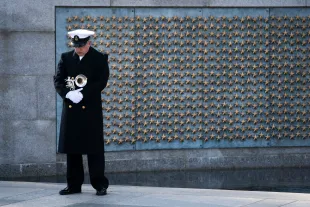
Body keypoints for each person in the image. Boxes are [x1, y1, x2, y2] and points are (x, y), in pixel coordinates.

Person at [54, 29, 110, 196]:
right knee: (73, 149)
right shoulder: (65, 58)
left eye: (82, 46)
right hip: (71, 108)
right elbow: (58, 79)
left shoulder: (99, 58)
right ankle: (73, 184)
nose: (78, 49)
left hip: (90, 109)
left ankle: (100, 184)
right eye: (76, 46)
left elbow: (102, 81)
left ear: (89, 43)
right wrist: (67, 93)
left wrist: (83, 94)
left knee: (94, 149)